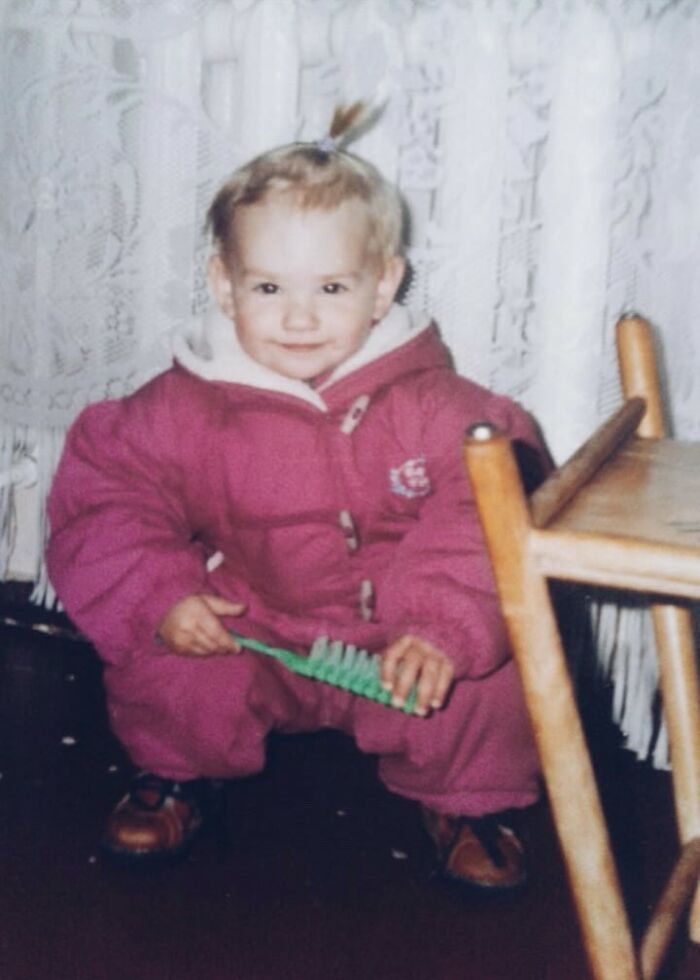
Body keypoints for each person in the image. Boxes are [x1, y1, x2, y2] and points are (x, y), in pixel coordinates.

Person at [46, 104, 547, 891]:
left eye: (333, 286)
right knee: (169, 662)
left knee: (485, 680)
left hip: (402, 642)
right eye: (270, 285)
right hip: (255, 630)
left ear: (383, 287)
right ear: (223, 283)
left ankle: (466, 801)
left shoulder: (431, 401)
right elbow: (108, 499)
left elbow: (495, 499)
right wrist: (163, 597)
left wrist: (446, 624)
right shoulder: (187, 403)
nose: (300, 316)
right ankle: (175, 772)